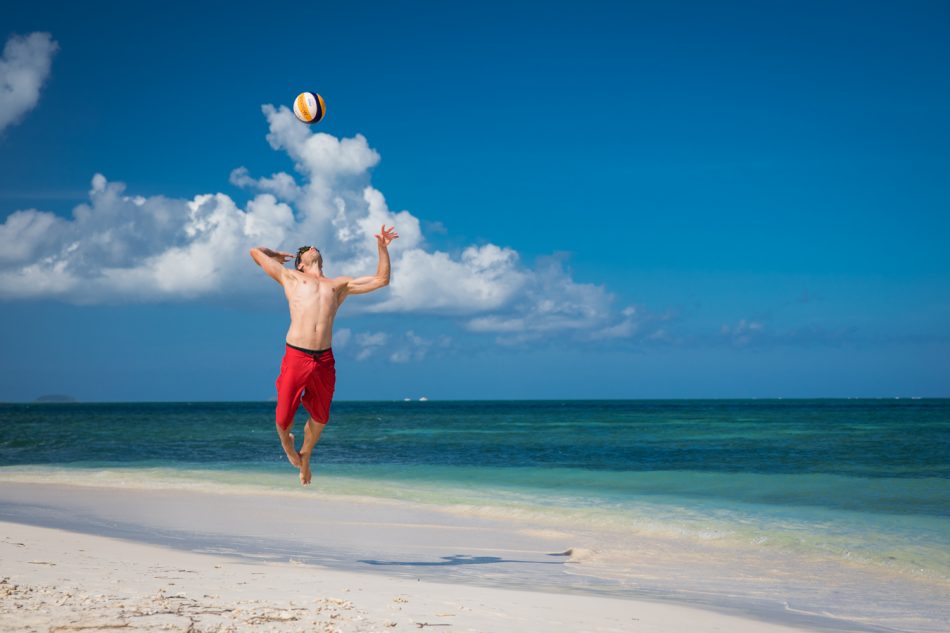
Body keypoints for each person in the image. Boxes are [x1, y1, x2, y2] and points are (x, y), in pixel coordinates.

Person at [249, 225, 399, 485]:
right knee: (283, 419)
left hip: (324, 359)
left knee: (321, 417)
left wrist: (382, 249)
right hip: (296, 355)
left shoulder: (339, 285)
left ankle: (306, 456)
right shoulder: (291, 278)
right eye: (304, 250)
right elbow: (254, 252)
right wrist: (275, 253)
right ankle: (289, 448)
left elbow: (381, 280)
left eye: (312, 247)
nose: (310, 248)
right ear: (300, 265)